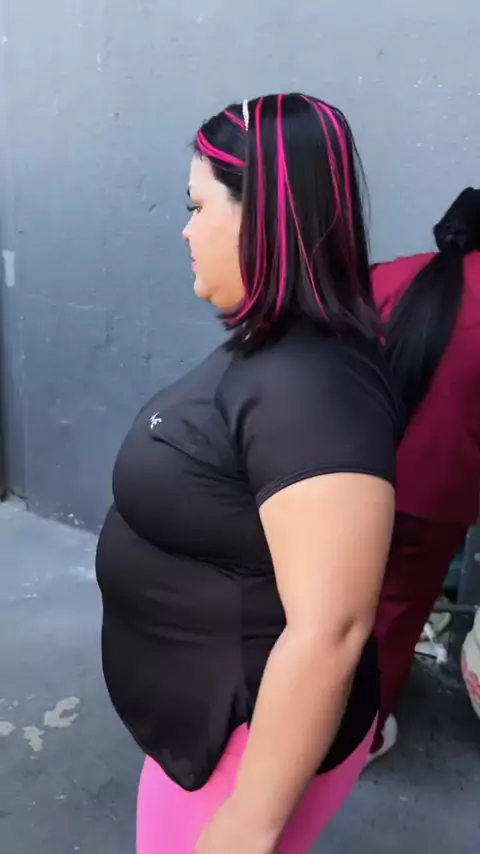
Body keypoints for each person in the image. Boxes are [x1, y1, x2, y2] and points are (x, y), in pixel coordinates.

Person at [96, 93, 400, 853]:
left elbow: (332, 628)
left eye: (198, 207)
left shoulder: (314, 387)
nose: (185, 230)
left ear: (260, 217)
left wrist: (247, 824)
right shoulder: (278, 351)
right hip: (204, 733)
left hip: (241, 751)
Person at [369, 187, 480, 760]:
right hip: (434, 502)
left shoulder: (387, 278)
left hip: (349, 476)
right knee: (394, 616)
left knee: (322, 601)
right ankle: (360, 737)